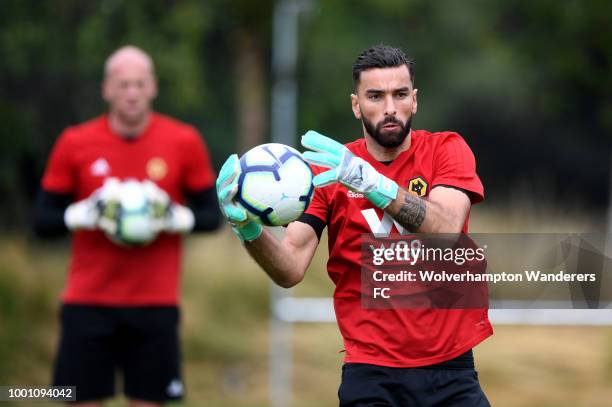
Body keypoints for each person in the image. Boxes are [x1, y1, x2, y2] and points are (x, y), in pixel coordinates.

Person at [217, 44, 492, 406]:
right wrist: (248, 230)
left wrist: (374, 185)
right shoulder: (328, 174)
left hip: (450, 369)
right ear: (356, 104)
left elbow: (445, 230)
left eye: (400, 94)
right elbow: (290, 267)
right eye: (375, 96)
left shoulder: (445, 149)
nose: (390, 108)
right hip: (371, 371)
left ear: (415, 100)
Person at [34, 45, 221, 406]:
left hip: (155, 304)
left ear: (153, 87)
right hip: (87, 303)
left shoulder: (184, 140)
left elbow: (211, 216)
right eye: (123, 85)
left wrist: (173, 217)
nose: (132, 93)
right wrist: (83, 213)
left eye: (139, 83)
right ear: (107, 89)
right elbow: (42, 222)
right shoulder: (75, 142)